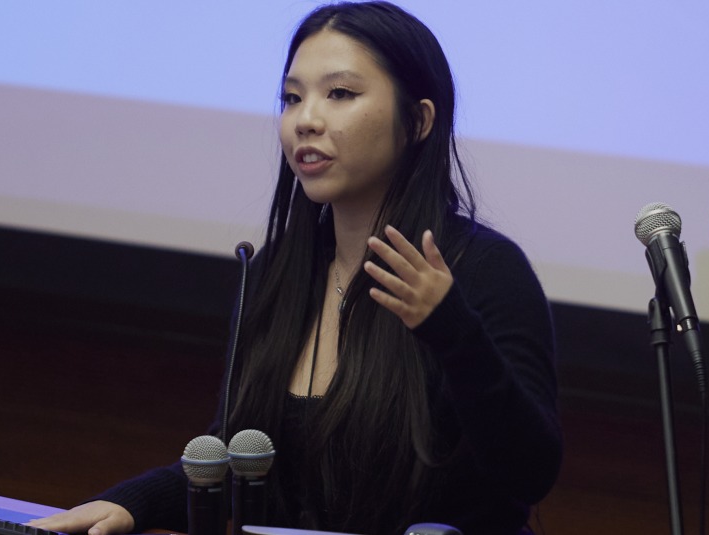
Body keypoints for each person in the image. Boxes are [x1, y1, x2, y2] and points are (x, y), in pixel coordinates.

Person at [29, 2, 562, 534]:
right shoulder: (278, 273)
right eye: (291, 97)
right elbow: (240, 458)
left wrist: (451, 330)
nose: (305, 120)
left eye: (340, 94)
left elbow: (528, 472)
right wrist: (133, 505)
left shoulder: (484, 271)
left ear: (419, 120)